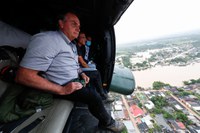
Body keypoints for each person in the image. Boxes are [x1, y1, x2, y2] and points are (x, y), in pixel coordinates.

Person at [15, 11, 125, 132]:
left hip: (74, 79)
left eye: (79, 26)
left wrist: (81, 73)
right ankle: (108, 123)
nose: (78, 28)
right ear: (61, 24)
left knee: (94, 74)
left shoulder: (70, 44)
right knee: (93, 97)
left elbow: (74, 65)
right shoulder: (47, 40)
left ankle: (102, 95)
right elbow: (24, 76)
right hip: (61, 85)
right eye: (73, 24)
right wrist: (62, 90)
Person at [76, 32, 114, 103]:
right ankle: (102, 95)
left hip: (79, 67)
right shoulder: (77, 47)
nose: (86, 40)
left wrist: (90, 66)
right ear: (78, 38)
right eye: (83, 38)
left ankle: (95, 89)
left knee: (94, 67)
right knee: (96, 73)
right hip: (77, 68)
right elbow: (83, 63)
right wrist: (90, 69)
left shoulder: (81, 47)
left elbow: (85, 61)